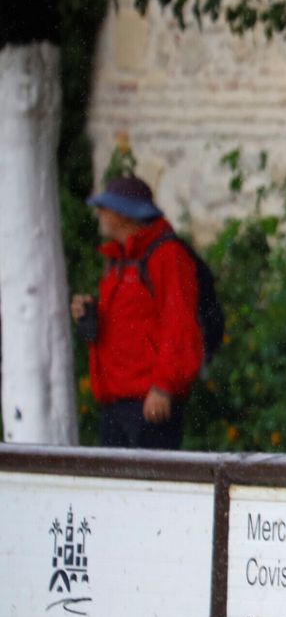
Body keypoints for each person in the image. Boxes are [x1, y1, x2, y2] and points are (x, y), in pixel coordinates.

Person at [71, 175, 204, 450]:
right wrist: (91, 313)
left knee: (150, 478)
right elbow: (132, 320)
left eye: (106, 207)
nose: (100, 213)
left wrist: (163, 387)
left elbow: (180, 325)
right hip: (117, 400)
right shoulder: (121, 259)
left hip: (149, 401)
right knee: (114, 478)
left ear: (124, 214)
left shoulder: (167, 256)